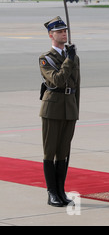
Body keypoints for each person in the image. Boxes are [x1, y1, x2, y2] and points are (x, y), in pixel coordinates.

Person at [39, 16, 80, 207]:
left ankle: (61, 190)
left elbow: (76, 85)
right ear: (51, 35)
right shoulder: (46, 58)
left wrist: (76, 109)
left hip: (69, 108)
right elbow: (57, 80)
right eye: (59, 31)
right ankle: (51, 192)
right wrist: (69, 60)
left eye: (65, 31)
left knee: (63, 152)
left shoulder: (73, 57)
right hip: (52, 108)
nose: (64, 34)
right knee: (50, 152)